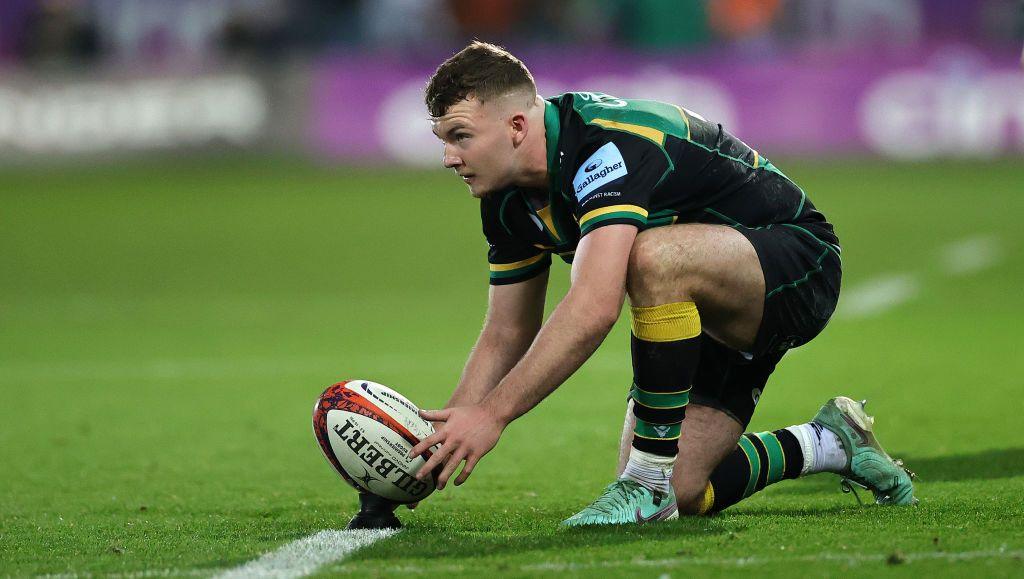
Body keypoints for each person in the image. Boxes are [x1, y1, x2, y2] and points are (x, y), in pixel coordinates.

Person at [407, 41, 915, 525]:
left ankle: (646, 483)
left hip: (796, 265)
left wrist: (493, 416)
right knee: (688, 490)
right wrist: (433, 443)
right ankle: (828, 442)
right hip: (699, 306)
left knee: (651, 257)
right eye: (443, 140)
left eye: (460, 136)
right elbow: (506, 333)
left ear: (517, 125)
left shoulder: (606, 144)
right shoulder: (505, 198)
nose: (449, 157)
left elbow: (594, 307)